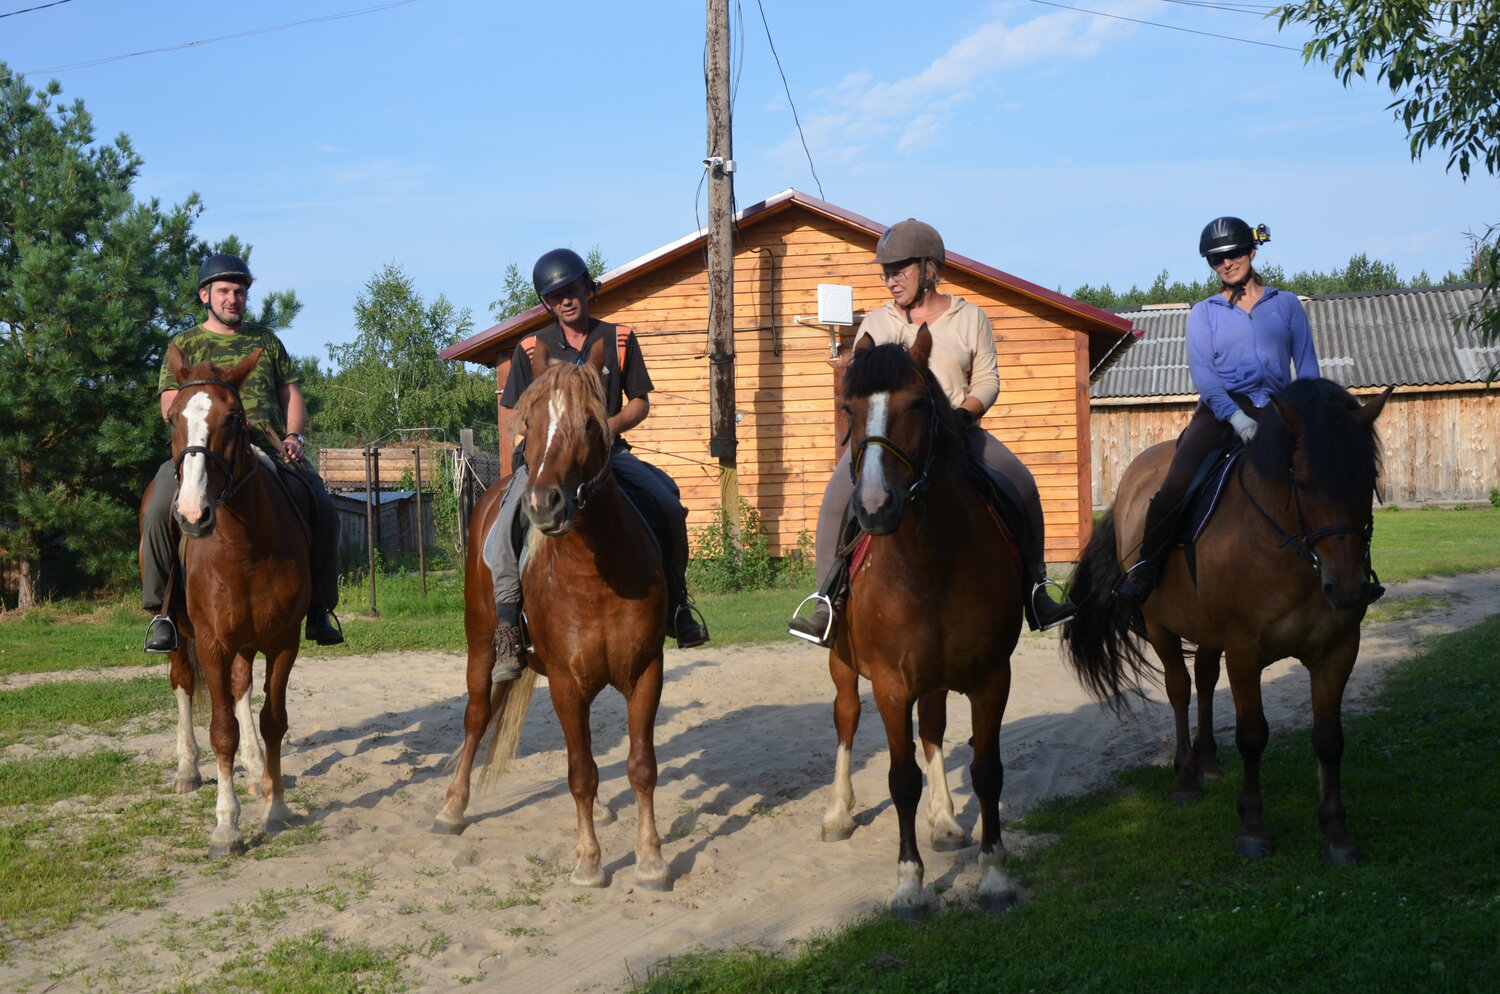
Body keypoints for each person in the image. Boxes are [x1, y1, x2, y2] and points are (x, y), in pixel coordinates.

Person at [788, 218, 1077, 645]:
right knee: (835, 495)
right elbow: (859, 383)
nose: (889, 280)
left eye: (898, 270)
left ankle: (1036, 588)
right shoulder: (876, 322)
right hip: (890, 438)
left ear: (929, 269)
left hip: (957, 432)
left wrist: (964, 414)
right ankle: (825, 600)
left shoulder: (969, 318)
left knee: (1021, 481)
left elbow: (988, 380)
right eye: (885, 272)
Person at [483, 248, 709, 682]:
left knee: (665, 500)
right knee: (504, 530)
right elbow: (513, 411)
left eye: (572, 290)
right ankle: (509, 628)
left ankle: (678, 604)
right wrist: (535, 445)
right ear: (547, 303)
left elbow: (640, 402)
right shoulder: (532, 348)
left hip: (606, 457)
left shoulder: (619, 338)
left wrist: (608, 426)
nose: (566, 300)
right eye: (555, 296)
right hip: (547, 462)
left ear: (588, 288)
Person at [1113, 216, 1320, 606]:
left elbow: (1307, 368)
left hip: (1280, 409)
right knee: (1175, 483)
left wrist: (1305, 414)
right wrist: (1236, 417)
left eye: (1233, 253)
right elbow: (1205, 375)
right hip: (1223, 412)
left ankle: (1342, 567)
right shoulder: (1204, 312)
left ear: (1252, 252)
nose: (1226, 263)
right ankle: (1145, 568)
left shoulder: (1287, 305)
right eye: (1215, 259)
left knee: (1324, 475)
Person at [140, 253, 343, 652]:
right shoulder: (184, 344)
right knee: (156, 507)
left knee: (324, 506)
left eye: (239, 291)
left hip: (264, 446)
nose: (233, 299)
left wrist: (293, 436)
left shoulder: (266, 342)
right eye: (224, 291)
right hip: (202, 448)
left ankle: (319, 608)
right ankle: (162, 612)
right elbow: (169, 402)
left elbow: (290, 393)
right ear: (205, 296)